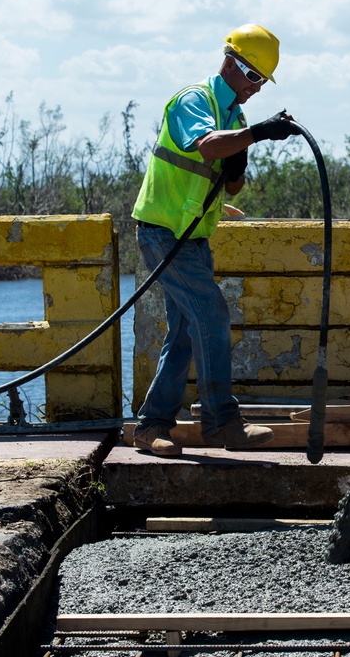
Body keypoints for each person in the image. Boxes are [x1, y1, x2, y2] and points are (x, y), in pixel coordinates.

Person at [131, 23, 300, 457]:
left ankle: (151, 427)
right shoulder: (194, 101)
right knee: (212, 314)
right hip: (163, 231)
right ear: (230, 64)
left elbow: (231, 187)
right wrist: (257, 133)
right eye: (253, 77)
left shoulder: (234, 118)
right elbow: (206, 147)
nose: (257, 89)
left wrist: (240, 162)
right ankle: (222, 422)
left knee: (187, 331)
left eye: (262, 81)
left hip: (192, 238)